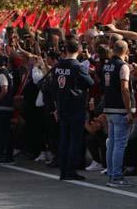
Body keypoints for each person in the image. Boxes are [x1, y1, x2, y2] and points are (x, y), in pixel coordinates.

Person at [52, 39, 94, 181]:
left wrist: (56, 107)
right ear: (79, 49)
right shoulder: (78, 66)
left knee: (64, 139)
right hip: (75, 106)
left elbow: (54, 88)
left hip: (62, 106)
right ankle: (70, 170)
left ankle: (63, 170)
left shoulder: (58, 66)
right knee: (74, 140)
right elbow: (90, 83)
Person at [103, 40, 136, 187]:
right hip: (120, 110)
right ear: (126, 51)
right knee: (119, 144)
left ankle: (111, 174)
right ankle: (116, 177)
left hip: (109, 108)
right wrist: (129, 111)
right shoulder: (123, 66)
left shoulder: (107, 65)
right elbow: (125, 89)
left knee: (112, 143)